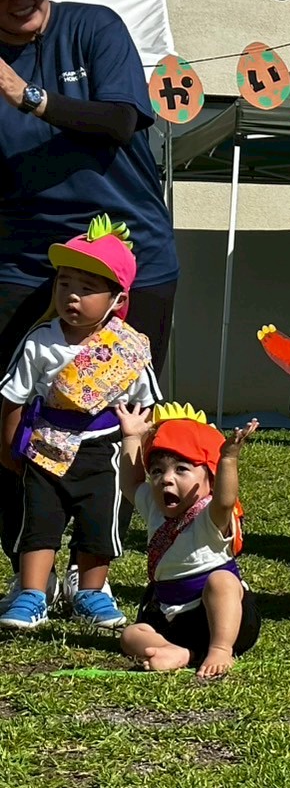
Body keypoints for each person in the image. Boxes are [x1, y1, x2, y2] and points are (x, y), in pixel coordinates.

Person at [0, 0, 178, 602]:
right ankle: (31, 570)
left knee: (123, 413)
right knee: (17, 407)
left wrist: (28, 96)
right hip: (26, 260)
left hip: (133, 257)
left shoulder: (92, 27)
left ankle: (96, 571)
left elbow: (120, 120)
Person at [0, 216, 160, 630]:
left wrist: (140, 449)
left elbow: (145, 405)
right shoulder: (40, 340)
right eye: (65, 283)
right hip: (44, 446)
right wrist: (8, 446)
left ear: (117, 299)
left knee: (97, 524)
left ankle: (91, 592)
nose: (71, 295)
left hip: (103, 450)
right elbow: (14, 397)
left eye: (86, 288)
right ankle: (33, 592)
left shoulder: (128, 347)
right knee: (39, 521)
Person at [116, 403, 260, 678]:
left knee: (222, 581)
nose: (166, 480)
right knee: (132, 635)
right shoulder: (155, 507)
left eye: (181, 469)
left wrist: (228, 459)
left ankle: (219, 649)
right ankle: (180, 652)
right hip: (170, 618)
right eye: (157, 471)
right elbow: (130, 483)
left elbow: (226, 499)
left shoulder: (210, 515)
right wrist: (132, 437)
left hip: (223, 620)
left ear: (210, 477)